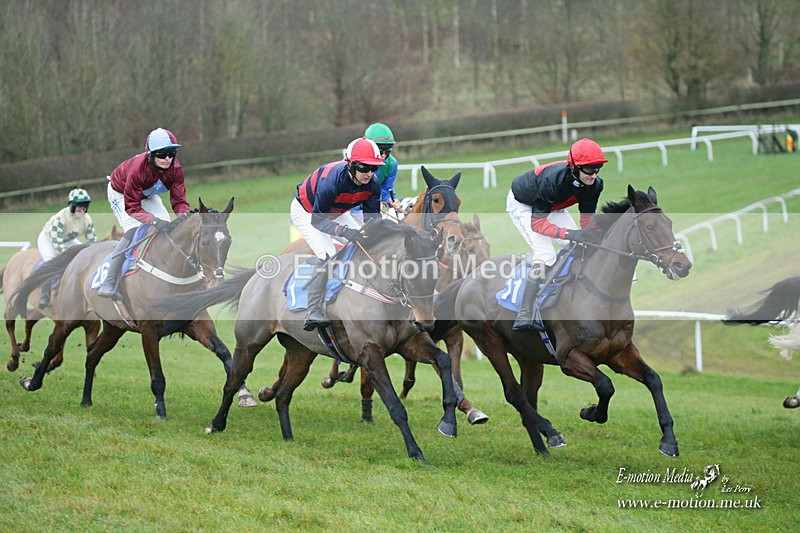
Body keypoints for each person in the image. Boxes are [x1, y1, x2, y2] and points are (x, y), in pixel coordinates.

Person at [506, 137, 607, 330]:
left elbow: (586, 218)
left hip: (554, 206)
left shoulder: (595, 184)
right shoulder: (552, 180)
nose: (593, 175)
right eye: (589, 169)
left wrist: (590, 235)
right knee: (546, 255)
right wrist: (569, 233)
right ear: (575, 166)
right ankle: (525, 313)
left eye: (597, 169)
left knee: (579, 245)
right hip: (525, 205)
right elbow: (537, 224)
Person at [290, 137, 384, 331]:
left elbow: (373, 220)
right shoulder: (331, 182)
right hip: (307, 212)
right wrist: (344, 232)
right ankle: (313, 310)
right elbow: (318, 220)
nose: (369, 173)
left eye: (373, 168)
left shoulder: (373, 184)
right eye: (364, 168)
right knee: (327, 253)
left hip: (335, 211)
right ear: (351, 165)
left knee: (365, 243)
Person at [97, 128, 190, 298]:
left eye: (172, 152)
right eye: (162, 154)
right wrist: (153, 220)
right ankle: (109, 281)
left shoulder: (175, 169)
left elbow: (179, 201)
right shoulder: (137, 169)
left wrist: (184, 217)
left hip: (148, 194)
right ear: (150, 154)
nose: (168, 158)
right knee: (134, 230)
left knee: (168, 229)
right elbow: (132, 206)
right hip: (122, 194)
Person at [36, 188, 98, 308]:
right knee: (51, 262)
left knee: (83, 255)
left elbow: (93, 241)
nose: (82, 209)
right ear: (71, 206)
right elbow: (58, 245)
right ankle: (45, 296)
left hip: (68, 239)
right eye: (78, 206)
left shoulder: (87, 220)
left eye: (84, 206)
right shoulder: (60, 219)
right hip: (48, 239)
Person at [364, 122, 403, 213]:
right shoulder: (355, 163)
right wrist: (373, 204)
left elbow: (386, 190)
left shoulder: (392, 164)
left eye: (388, 151)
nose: (384, 156)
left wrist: (390, 200)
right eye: (380, 150)